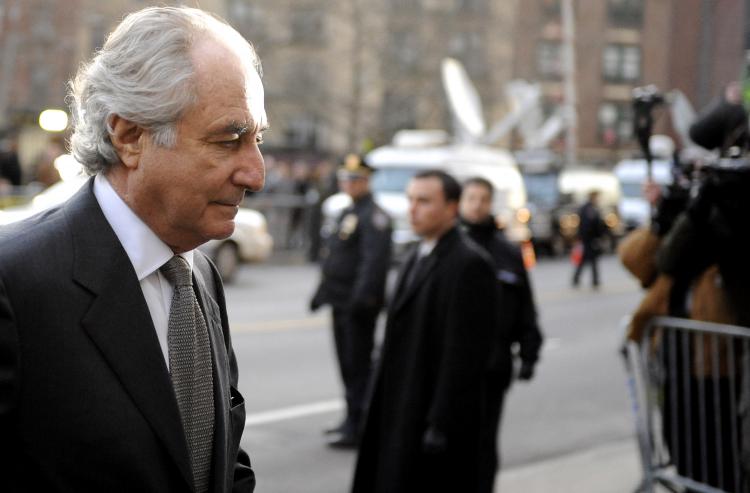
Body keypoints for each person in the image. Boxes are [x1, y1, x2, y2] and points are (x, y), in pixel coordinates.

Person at [0, 7, 265, 492]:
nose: (256, 173)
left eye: (258, 139)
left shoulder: (199, 275)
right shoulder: (15, 282)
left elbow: (221, 463)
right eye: (229, 139)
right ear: (130, 137)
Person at [351, 170, 495, 493]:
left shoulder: (470, 265)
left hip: (427, 412)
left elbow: (464, 357)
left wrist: (442, 422)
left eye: (424, 201)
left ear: (451, 208)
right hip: (399, 402)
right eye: (410, 200)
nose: (412, 209)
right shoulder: (416, 254)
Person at [458, 177, 544, 493]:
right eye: (471, 198)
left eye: (483, 198)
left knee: (483, 442)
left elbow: (524, 305)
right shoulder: (449, 247)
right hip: (451, 367)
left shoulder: (506, 251)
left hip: (492, 365)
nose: (477, 205)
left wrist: (530, 350)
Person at [310, 154, 392, 448]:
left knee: (358, 367)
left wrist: (361, 300)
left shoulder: (374, 215)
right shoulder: (349, 212)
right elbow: (335, 256)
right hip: (341, 302)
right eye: (346, 178)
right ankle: (351, 418)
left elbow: (373, 262)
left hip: (358, 307)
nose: (349, 184)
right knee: (347, 365)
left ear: (366, 181)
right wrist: (321, 293)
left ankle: (361, 424)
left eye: (355, 179)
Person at [572, 190, 605, 288]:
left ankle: (580, 278)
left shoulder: (590, 208)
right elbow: (587, 226)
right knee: (590, 260)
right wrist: (594, 238)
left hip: (589, 239)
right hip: (589, 240)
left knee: (587, 260)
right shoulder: (589, 209)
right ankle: (593, 280)